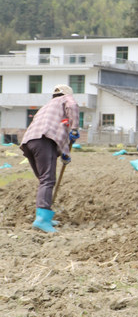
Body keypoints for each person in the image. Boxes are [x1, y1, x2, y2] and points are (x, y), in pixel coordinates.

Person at [20, 84, 79, 233]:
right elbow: (72, 106)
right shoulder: (67, 99)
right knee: (48, 179)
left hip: (29, 142)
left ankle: (44, 216)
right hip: (43, 140)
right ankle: (42, 219)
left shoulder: (47, 107)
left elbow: (58, 133)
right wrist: (75, 128)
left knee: (44, 180)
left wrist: (65, 153)